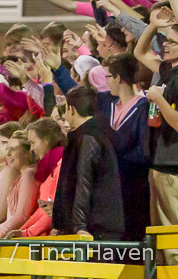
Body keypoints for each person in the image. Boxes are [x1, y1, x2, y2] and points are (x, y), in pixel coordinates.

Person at [135, 16, 178, 265]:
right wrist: (153, 26)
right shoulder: (169, 70)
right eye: (165, 40)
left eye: (170, 42)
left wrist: (159, 99)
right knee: (160, 239)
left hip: (175, 164)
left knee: (175, 237)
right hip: (160, 161)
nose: (164, 45)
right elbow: (140, 52)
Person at [53, 86, 124, 240]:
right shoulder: (94, 132)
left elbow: (83, 182)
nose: (64, 115)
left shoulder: (88, 137)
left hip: (95, 229)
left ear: (71, 110)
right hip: (98, 225)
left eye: (65, 109)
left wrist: (79, 226)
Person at [99, 52, 150, 242]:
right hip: (112, 188)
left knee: (132, 239)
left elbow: (144, 152)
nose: (107, 82)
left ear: (118, 78)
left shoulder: (144, 106)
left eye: (108, 77)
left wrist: (114, 159)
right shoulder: (109, 104)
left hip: (133, 187)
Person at [12, 119, 67, 238]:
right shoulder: (48, 167)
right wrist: (22, 229)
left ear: (46, 141)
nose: (31, 148)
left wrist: (26, 233)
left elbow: (51, 212)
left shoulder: (61, 164)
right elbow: (42, 209)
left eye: (33, 142)